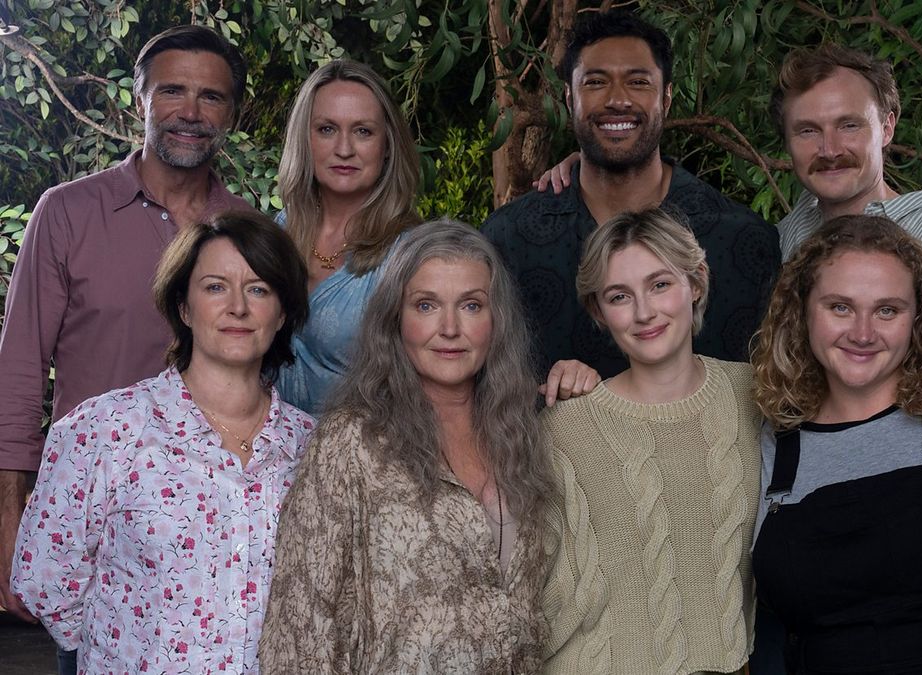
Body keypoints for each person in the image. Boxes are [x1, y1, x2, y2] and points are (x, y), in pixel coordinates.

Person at [0, 25, 251, 673]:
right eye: (172, 91)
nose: (190, 113)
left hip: (220, 552)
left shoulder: (248, 232)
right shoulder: (67, 214)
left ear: (232, 113)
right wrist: (9, 522)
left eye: (211, 97)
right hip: (98, 542)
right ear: (135, 101)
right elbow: (20, 373)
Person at [9, 211, 314, 673]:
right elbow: (44, 580)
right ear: (184, 308)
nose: (238, 307)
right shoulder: (104, 430)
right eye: (215, 287)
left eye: (259, 289)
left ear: (283, 311)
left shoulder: (311, 447)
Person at [259, 221, 553, 673]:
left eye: (471, 305)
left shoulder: (523, 438)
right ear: (395, 318)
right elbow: (299, 629)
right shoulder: (350, 443)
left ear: (497, 321)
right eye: (426, 305)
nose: (450, 328)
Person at [750, 215, 922, 673]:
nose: (862, 333)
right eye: (839, 307)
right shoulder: (772, 436)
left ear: (920, 316)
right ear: (801, 311)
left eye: (887, 310)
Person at [482, 11, 780, 380]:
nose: (617, 99)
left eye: (638, 82)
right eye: (595, 82)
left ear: (666, 98)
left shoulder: (743, 240)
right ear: (569, 97)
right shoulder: (507, 242)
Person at [541, 208, 761, 674]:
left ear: (696, 283)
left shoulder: (757, 397)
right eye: (620, 296)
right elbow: (543, 590)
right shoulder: (566, 426)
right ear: (599, 311)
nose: (643, 312)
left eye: (660, 284)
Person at [771, 43, 922, 344]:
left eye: (849, 125)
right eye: (808, 131)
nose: (829, 150)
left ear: (887, 128)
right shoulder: (781, 240)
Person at [273, 59, 422, 414]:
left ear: (387, 145)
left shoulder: (413, 254)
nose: (344, 149)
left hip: (361, 458)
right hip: (262, 455)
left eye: (363, 131)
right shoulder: (277, 231)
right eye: (326, 129)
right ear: (304, 139)